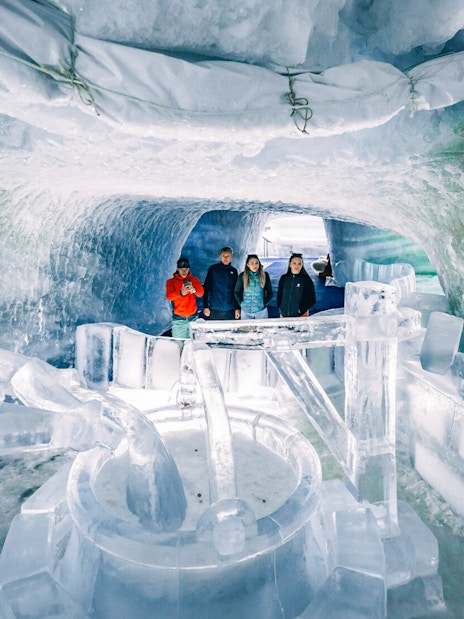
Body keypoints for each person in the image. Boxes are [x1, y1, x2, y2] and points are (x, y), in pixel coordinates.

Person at [165, 257, 204, 339]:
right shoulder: (171, 282)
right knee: (179, 345)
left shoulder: (194, 280)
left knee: (193, 344)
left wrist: (194, 290)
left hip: (193, 319)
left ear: (189, 269)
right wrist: (180, 293)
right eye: (181, 269)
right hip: (179, 321)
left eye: (186, 269)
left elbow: (201, 293)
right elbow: (169, 296)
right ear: (177, 269)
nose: (184, 272)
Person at [203, 246, 240, 320]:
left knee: (229, 331)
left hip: (230, 310)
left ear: (231, 257)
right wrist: (205, 306)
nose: (225, 258)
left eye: (228, 256)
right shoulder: (213, 269)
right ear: (220, 256)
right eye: (223, 256)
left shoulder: (234, 271)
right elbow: (206, 288)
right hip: (215, 309)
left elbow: (236, 291)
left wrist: (237, 308)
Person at [277, 253, 316, 317]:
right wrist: (281, 309)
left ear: (302, 265)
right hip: (284, 315)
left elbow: (312, 299)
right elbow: (279, 295)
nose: (296, 266)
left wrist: (301, 310)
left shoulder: (306, 280)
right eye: (294, 263)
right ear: (290, 264)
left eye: (299, 263)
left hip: (300, 316)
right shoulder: (284, 278)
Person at [234, 254, 273, 319]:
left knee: (262, 329)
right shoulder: (242, 276)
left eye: (256, 263)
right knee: (246, 329)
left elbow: (270, 292)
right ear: (247, 265)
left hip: (261, 311)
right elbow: (236, 292)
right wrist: (241, 304)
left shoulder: (264, 275)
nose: (255, 265)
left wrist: (263, 303)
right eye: (252, 263)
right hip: (246, 311)